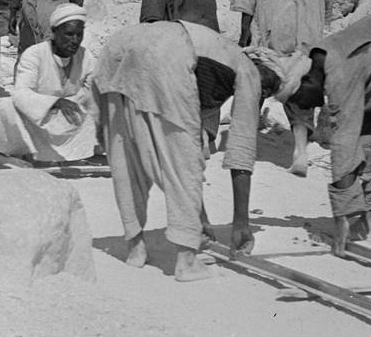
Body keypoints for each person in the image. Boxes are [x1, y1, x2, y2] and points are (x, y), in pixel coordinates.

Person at [91, 19, 285, 281]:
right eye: (269, 85)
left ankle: (135, 248)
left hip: (120, 46)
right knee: (183, 163)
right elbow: (240, 149)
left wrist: (200, 218)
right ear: (261, 65)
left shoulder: (216, 59)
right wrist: (241, 223)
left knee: (127, 154)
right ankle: (186, 261)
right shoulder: (247, 69)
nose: (264, 92)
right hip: (167, 51)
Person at [232, 0, 332, 176]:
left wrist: (244, 29)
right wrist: (323, 18)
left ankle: (246, 146)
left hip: (272, 18)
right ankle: (300, 149)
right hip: (308, 22)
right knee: (302, 82)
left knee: (257, 77)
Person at [284, 8, 371, 256]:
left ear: (307, 81)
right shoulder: (318, 56)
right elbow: (363, 136)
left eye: (304, 101)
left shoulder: (339, 71)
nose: (311, 106)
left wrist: (341, 218)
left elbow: (343, 146)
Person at [0, 3, 99, 164]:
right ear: (54, 32)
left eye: (79, 35)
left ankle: (69, 151)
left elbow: (93, 91)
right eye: (69, 34)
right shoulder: (34, 54)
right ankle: (17, 148)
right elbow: (22, 94)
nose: (75, 40)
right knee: (6, 106)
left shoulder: (86, 57)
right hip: (35, 120)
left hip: (65, 122)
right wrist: (56, 102)